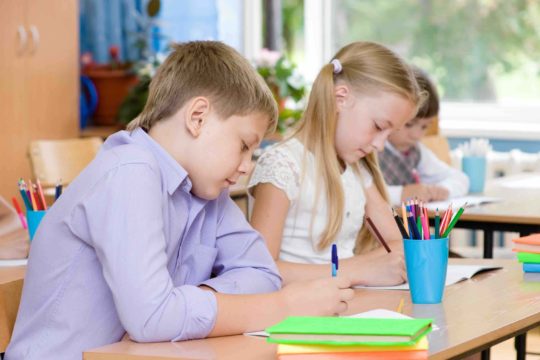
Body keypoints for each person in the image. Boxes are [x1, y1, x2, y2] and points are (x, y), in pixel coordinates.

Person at [5, 41, 354, 360]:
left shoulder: (207, 192)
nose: (247, 166)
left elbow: (263, 273)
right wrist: (283, 307)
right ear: (197, 117)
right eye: (244, 146)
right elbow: (153, 318)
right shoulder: (129, 171)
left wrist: (179, 305)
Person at [249, 41, 424, 287]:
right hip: (297, 314)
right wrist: (355, 270)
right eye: (378, 127)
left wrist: (376, 265)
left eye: (389, 134)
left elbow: (398, 245)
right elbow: (259, 271)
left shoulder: (357, 170)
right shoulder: (283, 166)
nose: (380, 145)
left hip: (345, 305)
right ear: (341, 98)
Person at [378, 67, 469, 205]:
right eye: (409, 125)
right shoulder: (370, 148)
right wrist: (401, 194)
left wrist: (444, 189)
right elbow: (359, 194)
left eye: (424, 126)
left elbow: (460, 178)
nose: (416, 135)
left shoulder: (417, 151)